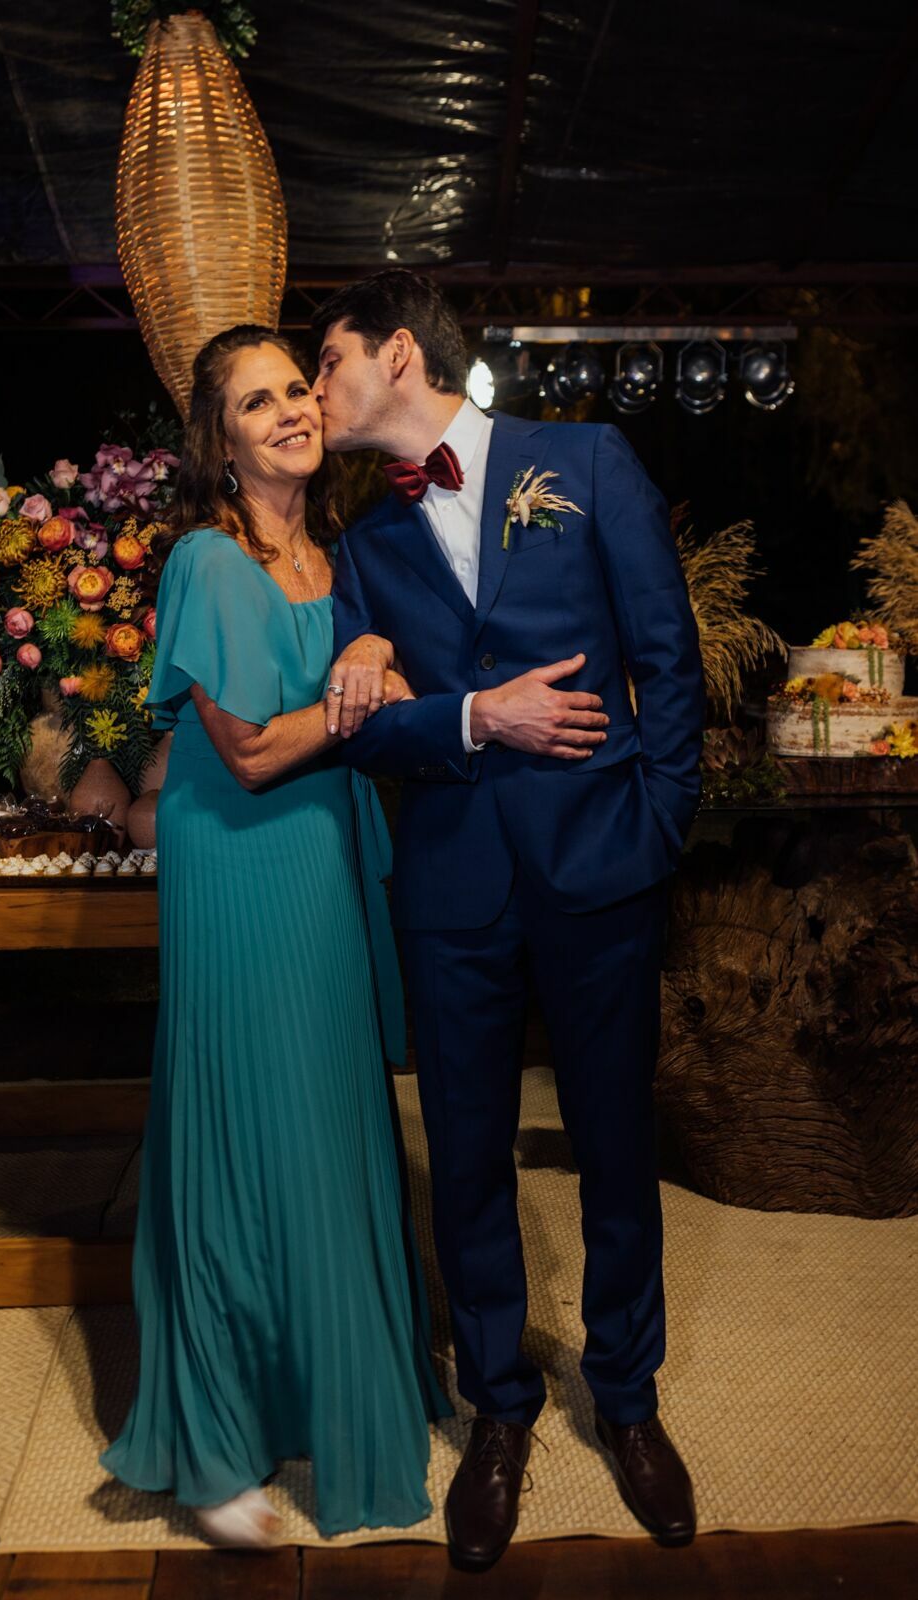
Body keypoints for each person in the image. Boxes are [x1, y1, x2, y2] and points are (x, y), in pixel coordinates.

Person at [315, 269, 705, 1570]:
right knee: (469, 1159)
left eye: (327, 364)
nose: (319, 393)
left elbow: (667, 657)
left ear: (394, 354)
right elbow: (369, 733)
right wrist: (478, 715)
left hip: (602, 868)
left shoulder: (582, 460)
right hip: (449, 889)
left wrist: (654, 831)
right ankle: (497, 1409)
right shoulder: (361, 547)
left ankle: (631, 1402)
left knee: (610, 1146)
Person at [100, 324, 450, 1545]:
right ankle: (213, 1440)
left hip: (326, 856)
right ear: (222, 439)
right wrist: (362, 705)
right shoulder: (206, 558)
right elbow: (247, 748)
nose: (293, 409)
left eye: (298, 386)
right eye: (259, 401)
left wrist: (370, 652)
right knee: (247, 1124)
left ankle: (332, 1397)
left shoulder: (337, 552)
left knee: (334, 1120)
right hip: (239, 865)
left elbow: (384, 667)